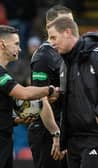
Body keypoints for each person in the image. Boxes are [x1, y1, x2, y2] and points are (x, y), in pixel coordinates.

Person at [47, 16, 98, 168]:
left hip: (96, 136)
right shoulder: (64, 63)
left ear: (67, 32)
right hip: (73, 139)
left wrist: (97, 115)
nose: (51, 43)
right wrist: (58, 98)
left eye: (53, 37)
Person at [0, 25, 60, 168]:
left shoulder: (5, 72)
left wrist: (17, 119)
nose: (19, 49)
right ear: (2, 44)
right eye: (16, 44)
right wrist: (49, 89)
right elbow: (23, 93)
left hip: (5, 137)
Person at [28, 5, 73, 168]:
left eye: (71, 22)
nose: (70, 28)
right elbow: (41, 99)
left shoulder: (67, 53)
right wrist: (56, 133)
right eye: (64, 22)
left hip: (66, 129)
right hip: (48, 132)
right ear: (49, 27)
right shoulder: (43, 57)